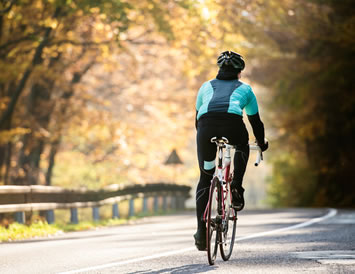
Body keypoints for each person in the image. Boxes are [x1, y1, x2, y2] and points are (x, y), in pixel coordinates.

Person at [194, 51, 268, 251]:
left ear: (219, 69)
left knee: (205, 177)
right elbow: (255, 122)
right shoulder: (246, 89)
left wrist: (205, 140)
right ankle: (236, 186)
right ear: (239, 72)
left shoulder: (205, 86)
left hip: (206, 127)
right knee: (242, 145)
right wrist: (261, 143)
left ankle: (201, 233)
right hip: (232, 124)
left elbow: (197, 118)